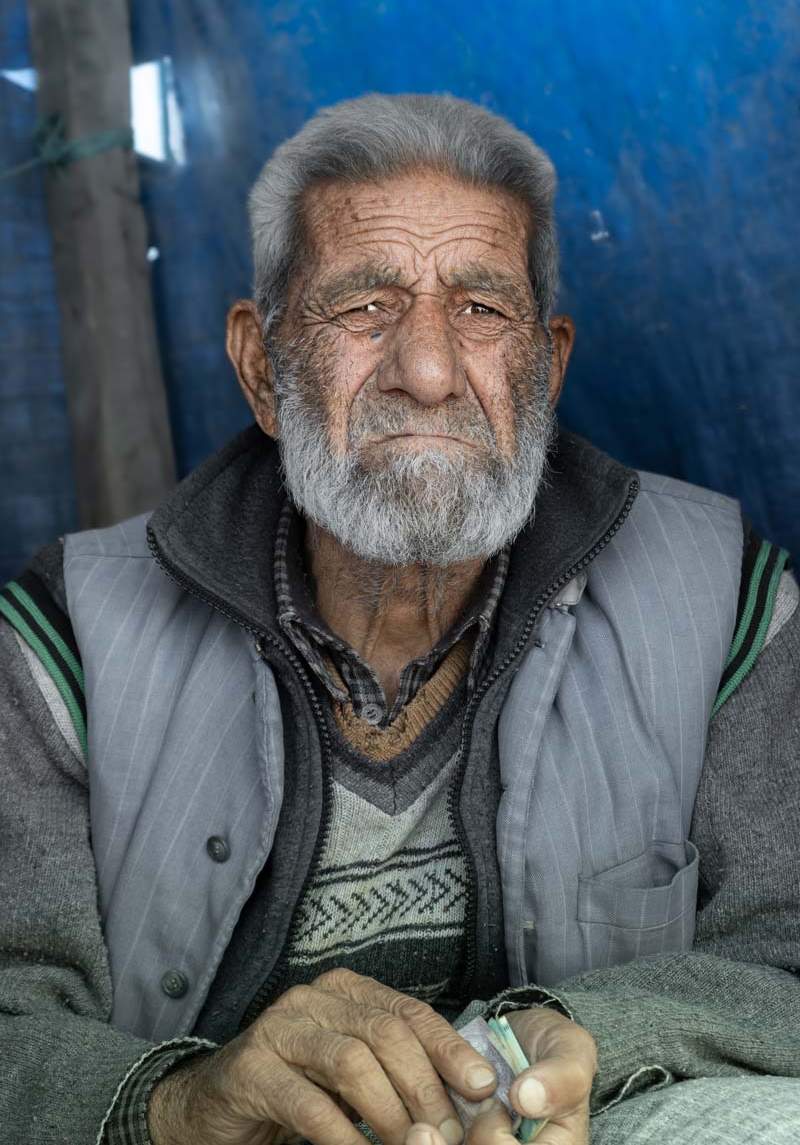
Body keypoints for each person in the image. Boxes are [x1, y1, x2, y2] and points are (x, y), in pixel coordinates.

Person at [1, 94, 799, 1145]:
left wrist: (579, 1033)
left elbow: (783, 954)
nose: (426, 372)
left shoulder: (719, 597)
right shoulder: (69, 640)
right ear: (261, 368)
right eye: (363, 307)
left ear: (545, 368)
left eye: (479, 310)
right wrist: (178, 1101)